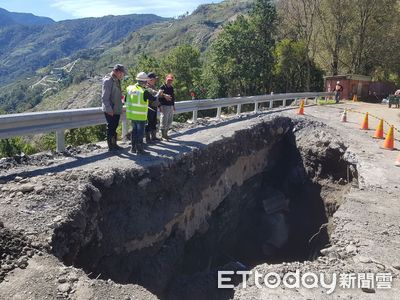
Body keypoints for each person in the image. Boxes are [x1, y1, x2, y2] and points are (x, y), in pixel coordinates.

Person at [125, 72, 157, 154]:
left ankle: (133, 148)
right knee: (140, 133)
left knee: (134, 132)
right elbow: (153, 99)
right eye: (146, 81)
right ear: (144, 82)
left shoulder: (130, 89)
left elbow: (125, 100)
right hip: (140, 116)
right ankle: (140, 150)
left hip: (132, 115)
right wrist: (159, 93)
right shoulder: (144, 92)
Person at [101, 64, 126, 152]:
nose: (123, 75)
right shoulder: (108, 80)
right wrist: (109, 109)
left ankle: (114, 145)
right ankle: (111, 147)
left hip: (116, 108)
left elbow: (115, 93)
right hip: (110, 109)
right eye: (122, 73)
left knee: (114, 127)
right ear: (117, 72)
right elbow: (105, 97)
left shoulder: (117, 80)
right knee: (111, 127)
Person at [145, 72, 163, 143]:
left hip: (154, 106)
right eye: (154, 79)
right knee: (149, 123)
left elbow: (157, 97)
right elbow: (155, 94)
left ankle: (153, 137)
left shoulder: (153, 86)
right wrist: (160, 93)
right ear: (150, 79)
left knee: (153, 122)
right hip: (149, 107)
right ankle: (148, 139)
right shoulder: (147, 87)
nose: (155, 81)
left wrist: (159, 105)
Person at [159, 74, 175, 140]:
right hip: (164, 106)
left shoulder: (171, 87)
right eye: (168, 80)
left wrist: (173, 105)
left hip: (170, 105)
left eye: (171, 80)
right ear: (166, 79)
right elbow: (159, 96)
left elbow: (173, 97)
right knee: (164, 121)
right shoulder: (162, 87)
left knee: (169, 121)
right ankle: (163, 136)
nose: (169, 81)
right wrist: (160, 106)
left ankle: (166, 134)